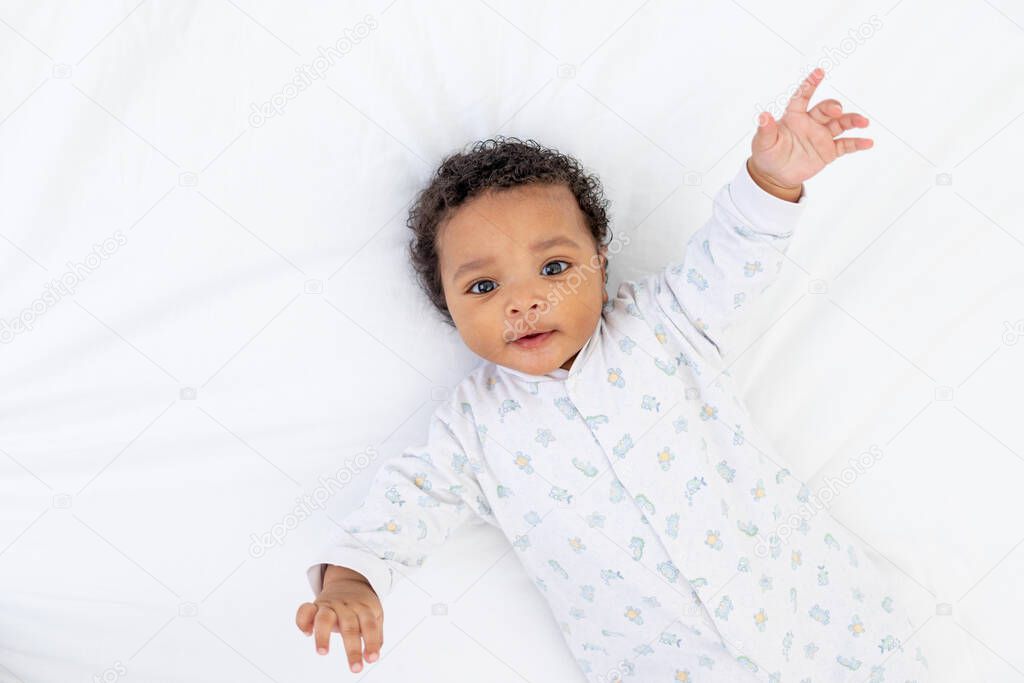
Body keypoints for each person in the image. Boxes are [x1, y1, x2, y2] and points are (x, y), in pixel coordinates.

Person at [295, 68, 931, 681]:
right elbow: (407, 504)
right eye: (484, 285)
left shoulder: (665, 323)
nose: (524, 302)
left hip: (822, 620)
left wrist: (770, 178)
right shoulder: (472, 428)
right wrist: (351, 578)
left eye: (553, 268)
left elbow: (734, 256)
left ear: (600, 265)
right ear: (448, 307)